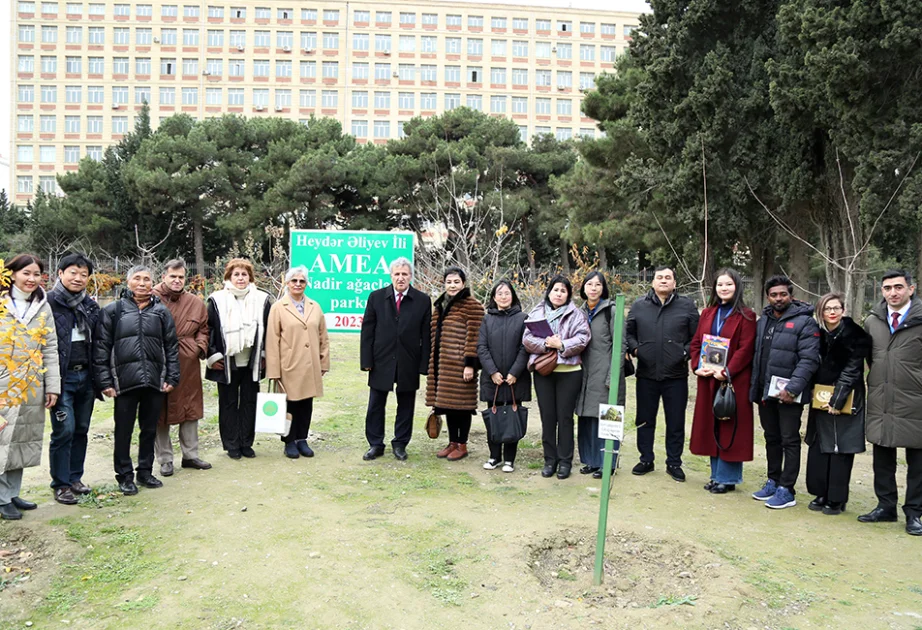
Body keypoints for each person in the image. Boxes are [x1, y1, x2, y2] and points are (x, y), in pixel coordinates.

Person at [94, 265, 180, 496]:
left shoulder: (161, 312)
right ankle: (124, 476)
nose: (142, 283)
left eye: (147, 279)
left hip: (154, 381)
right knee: (123, 430)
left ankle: (145, 471)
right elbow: (102, 347)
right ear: (128, 281)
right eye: (137, 279)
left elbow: (171, 347)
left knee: (149, 429)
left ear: (153, 283)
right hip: (123, 382)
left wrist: (171, 376)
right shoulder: (113, 310)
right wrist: (105, 381)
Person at [749, 275, 820, 509]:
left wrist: (793, 388)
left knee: (789, 439)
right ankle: (773, 479)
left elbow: (809, 359)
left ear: (791, 295)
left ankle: (787, 489)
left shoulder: (805, 322)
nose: (778, 298)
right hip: (765, 392)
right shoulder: (763, 321)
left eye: (783, 294)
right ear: (767, 297)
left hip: (790, 395)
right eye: (773, 295)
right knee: (771, 438)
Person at [860, 270, 922, 535]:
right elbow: (869, 359)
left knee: (917, 460)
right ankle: (886, 506)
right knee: (882, 454)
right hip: (881, 397)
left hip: (915, 400)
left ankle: (915, 513)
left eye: (898, 287)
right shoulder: (873, 321)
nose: (893, 292)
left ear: (911, 288)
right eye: (887, 288)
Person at [625, 266, 699, 482]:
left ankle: (674, 463)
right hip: (646, 374)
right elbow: (629, 334)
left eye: (668, 278)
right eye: (660, 277)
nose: (664, 281)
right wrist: (636, 350)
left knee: (675, 421)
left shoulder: (687, 306)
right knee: (645, 419)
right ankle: (646, 459)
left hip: (676, 375)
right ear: (653, 282)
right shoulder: (639, 306)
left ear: (675, 283)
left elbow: (696, 337)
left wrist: (684, 353)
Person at [0, 255, 60, 520]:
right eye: (26, 273)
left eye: (37, 274)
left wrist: (52, 386)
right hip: (3, 383)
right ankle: (1, 499)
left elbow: (50, 348)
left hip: (31, 384)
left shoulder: (43, 307)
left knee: (22, 441)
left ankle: (11, 493)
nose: (32, 279)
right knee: (3, 440)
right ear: (12, 274)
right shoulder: (2, 305)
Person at [689, 269, 757, 494]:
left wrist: (727, 372)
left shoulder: (747, 316)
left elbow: (746, 350)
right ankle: (715, 474)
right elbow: (697, 342)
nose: (724, 288)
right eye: (720, 285)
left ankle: (727, 479)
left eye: (728, 284)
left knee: (729, 426)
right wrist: (698, 366)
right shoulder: (708, 313)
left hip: (732, 380)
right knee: (711, 426)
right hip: (709, 379)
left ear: (737, 287)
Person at [360, 258, 432, 462]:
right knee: (375, 403)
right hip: (381, 359)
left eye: (405, 274)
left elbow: (426, 335)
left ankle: (400, 444)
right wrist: (367, 360)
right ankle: (375, 443)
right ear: (391, 276)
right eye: (397, 274)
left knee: (406, 404)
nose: (401, 278)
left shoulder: (423, 300)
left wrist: (424, 364)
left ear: (411, 276)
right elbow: (367, 331)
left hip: (408, 360)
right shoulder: (376, 297)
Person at [804, 293, 869, 516]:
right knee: (820, 444)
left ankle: (836, 498)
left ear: (843, 310)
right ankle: (820, 492)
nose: (832, 312)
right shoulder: (816, 335)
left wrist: (838, 398)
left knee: (840, 447)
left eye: (836, 308)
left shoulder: (855, 335)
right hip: (820, 395)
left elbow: (853, 370)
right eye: (827, 309)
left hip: (847, 396)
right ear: (821, 312)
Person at [523, 275, 591, 480]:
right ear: (549, 292)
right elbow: (527, 338)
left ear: (568, 294)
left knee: (565, 418)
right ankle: (549, 460)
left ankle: (565, 461)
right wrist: (546, 344)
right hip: (544, 373)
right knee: (548, 417)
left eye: (563, 290)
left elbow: (583, 337)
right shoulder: (537, 312)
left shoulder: (576, 314)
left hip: (569, 372)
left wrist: (561, 345)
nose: (559, 294)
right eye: (555, 290)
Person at [205, 259, 272, 460]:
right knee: (228, 403)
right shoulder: (216, 300)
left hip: (252, 361)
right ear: (228, 277)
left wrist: (264, 355)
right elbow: (208, 329)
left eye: (244, 274)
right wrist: (212, 355)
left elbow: (269, 330)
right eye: (236, 274)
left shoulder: (262, 299)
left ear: (250, 277)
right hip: (226, 361)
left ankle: (246, 443)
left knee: (250, 402)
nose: (241, 278)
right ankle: (232, 444)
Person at [47, 253, 100, 505]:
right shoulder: (48, 303)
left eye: (83, 274)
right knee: (64, 430)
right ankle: (61, 483)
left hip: (85, 376)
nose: (78, 278)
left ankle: (75, 477)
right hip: (61, 377)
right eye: (73, 273)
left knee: (81, 428)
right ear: (60, 273)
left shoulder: (89, 305)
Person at [152, 259, 212, 477]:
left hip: (188, 361)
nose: (177, 281)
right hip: (159, 361)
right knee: (161, 410)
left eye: (181, 277)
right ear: (164, 277)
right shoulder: (151, 298)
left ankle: (190, 455)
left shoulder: (195, 302)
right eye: (172, 277)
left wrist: (198, 347)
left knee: (190, 407)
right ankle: (165, 459)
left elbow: (204, 329)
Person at [266, 266, 330, 459]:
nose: (298, 284)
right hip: (289, 365)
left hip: (310, 365)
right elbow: (272, 340)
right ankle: (289, 441)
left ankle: (302, 439)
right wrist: (274, 371)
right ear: (287, 283)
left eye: (302, 281)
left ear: (306, 283)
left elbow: (323, 337)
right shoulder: (278, 307)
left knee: (306, 404)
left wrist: (324, 362)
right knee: (290, 404)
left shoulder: (314, 306)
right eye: (294, 280)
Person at [427, 267, 485, 462]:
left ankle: (462, 444)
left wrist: (470, 364)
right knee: (449, 406)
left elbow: (474, 336)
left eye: (456, 282)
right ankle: (452, 442)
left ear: (463, 283)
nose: (452, 285)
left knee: (462, 406)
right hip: (443, 367)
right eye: (449, 282)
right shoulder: (440, 305)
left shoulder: (472, 306)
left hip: (460, 366)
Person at [575, 272, 627, 480]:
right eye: (589, 284)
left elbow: (620, 345)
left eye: (598, 284)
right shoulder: (578, 312)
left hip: (605, 372)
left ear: (603, 288)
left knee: (608, 418)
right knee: (586, 418)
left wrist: (612, 376)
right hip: (584, 372)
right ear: (583, 288)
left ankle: (608, 463)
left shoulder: (611, 311)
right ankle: (590, 460)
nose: (593, 288)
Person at [477, 280, 531, 473]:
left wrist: (515, 372)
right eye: (499, 293)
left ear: (513, 296)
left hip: (515, 378)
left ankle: (509, 459)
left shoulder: (524, 318)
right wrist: (492, 372)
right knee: (494, 417)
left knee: (512, 416)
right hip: (493, 379)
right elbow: (481, 347)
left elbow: (525, 347)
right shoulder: (487, 319)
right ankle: (494, 457)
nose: (503, 296)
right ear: (494, 297)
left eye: (507, 293)